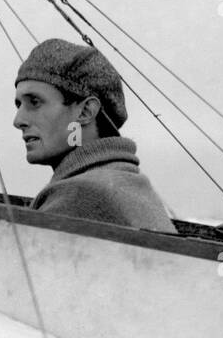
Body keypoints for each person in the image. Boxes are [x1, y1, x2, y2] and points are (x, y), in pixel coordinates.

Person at [13, 38, 174, 232]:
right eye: (19, 105)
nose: (18, 120)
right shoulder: (127, 183)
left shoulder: (81, 193)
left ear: (85, 111)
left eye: (35, 102)